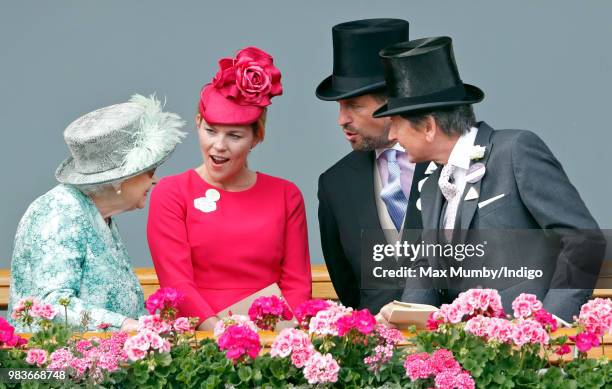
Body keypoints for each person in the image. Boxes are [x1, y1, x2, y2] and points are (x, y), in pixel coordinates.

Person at [375, 36, 605, 322]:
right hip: (467, 356)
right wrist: (402, 324)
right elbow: (427, 269)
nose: (392, 136)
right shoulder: (433, 186)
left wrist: (551, 324)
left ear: (429, 127)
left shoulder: (515, 151)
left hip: (530, 354)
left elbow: (584, 240)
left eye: (396, 125)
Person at [147, 46, 312, 331]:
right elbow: (176, 282)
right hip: (198, 340)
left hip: (273, 338)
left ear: (256, 138)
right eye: (210, 130)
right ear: (198, 123)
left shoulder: (286, 195)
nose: (219, 145)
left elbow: (297, 283)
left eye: (234, 136)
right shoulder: (172, 192)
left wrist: (280, 337)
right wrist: (220, 335)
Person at [8, 94, 186, 331]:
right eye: (150, 171)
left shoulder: (97, 212)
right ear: (118, 180)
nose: (155, 182)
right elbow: (51, 306)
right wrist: (126, 325)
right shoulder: (59, 213)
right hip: (56, 365)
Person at [316, 19, 429, 314]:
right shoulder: (335, 183)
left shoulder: (447, 163)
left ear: (392, 102)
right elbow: (347, 286)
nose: (342, 119)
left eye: (354, 106)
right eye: (339, 107)